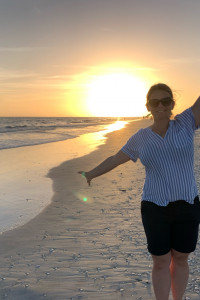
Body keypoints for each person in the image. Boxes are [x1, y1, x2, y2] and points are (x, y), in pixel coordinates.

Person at [78, 83, 200, 300]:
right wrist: (91, 173)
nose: (160, 105)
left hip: (188, 204)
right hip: (154, 207)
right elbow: (116, 158)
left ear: (172, 104)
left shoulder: (186, 123)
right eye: (155, 102)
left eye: (166, 101)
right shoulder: (140, 138)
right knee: (161, 260)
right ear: (148, 106)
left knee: (181, 257)